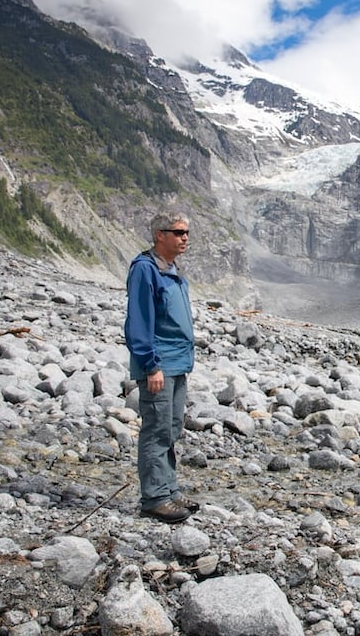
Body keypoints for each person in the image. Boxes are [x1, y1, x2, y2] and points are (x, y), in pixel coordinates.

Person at [124, 211, 198, 523]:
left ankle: (168, 489)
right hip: (160, 365)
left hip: (177, 362)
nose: (185, 238)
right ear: (160, 235)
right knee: (155, 428)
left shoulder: (171, 268)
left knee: (171, 427)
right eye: (178, 232)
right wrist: (151, 365)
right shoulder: (146, 269)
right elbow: (139, 321)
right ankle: (154, 498)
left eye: (186, 233)